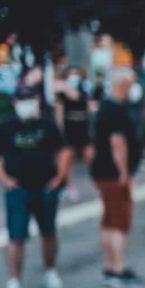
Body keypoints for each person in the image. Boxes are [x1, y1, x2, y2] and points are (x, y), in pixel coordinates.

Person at [0, 87, 71, 288]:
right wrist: (5, 180)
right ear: (15, 102)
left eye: (30, 99)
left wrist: (59, 178)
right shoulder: (6, 126)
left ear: (37, 101)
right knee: (16, 237)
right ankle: (14, 281)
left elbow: (63, 151)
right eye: (22, 99)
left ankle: (50, 271)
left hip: (45, 187)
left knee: (49, 232)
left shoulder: (47, 125)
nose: (27, 103)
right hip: (18, 188)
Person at [91, 69, 144, 288]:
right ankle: (118, 269)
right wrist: (124, 172)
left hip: (102, 171)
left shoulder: (105, 107)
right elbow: (118, 144)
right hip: (114, 174)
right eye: (130, 85)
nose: (132, 89)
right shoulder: (116, 111)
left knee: (109, 219)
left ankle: (110, 265)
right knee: (120, 221)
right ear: (122, 85)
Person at [55, 67, 92, 201]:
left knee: (89, 154)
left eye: (76, 74)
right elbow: (59, 112)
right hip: (69, 126)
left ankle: (97, 182)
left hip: (82, 125)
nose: (73, 77)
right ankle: (69, 187)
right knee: (68, 157)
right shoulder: (62, 94)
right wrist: (60, 130)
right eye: (71, 74)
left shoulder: (84, 90)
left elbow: (88, 106)